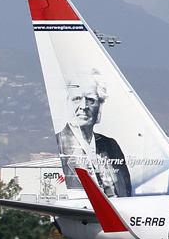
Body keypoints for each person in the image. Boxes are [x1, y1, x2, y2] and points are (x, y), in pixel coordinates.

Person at [56, 69, 132, 197]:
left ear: (99, 106)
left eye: (91, 100)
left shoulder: (110, 145)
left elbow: (125, 190)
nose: (83, 106)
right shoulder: (60, 143)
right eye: (77, 99)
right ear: (67, 102)